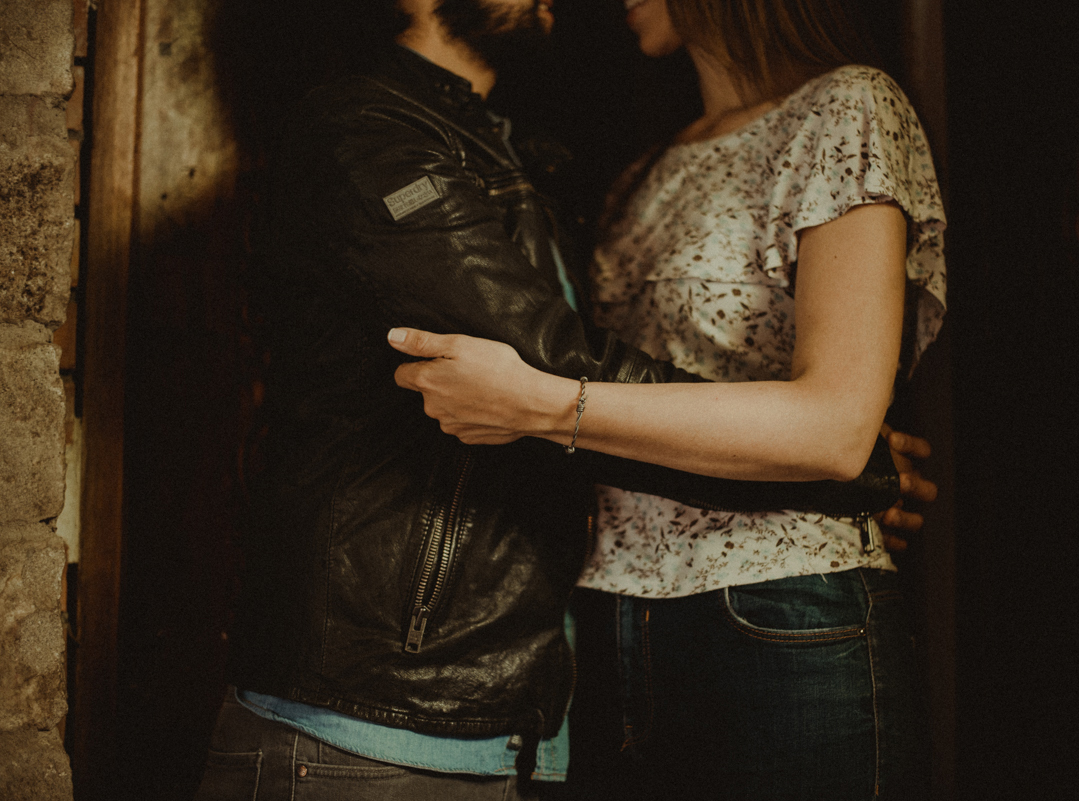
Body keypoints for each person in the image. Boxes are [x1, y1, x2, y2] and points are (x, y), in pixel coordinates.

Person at [195, 1, 934, 799]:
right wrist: (841, 465)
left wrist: (823, 446)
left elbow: (810, 416)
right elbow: (562, 363)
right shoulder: (403, 134)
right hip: (556, 642)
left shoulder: (834, 108)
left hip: (756, 612)